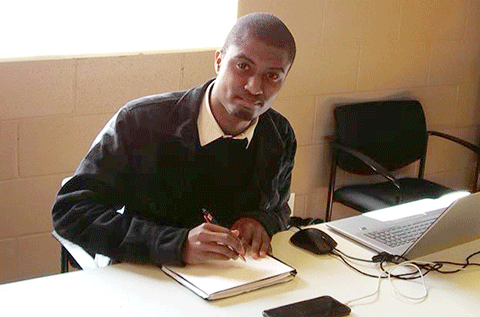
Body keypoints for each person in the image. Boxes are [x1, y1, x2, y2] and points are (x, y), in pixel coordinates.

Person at [52, 12, 297, 266]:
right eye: (243, 66)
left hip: (235, 283)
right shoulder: (139, 123)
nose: (255, 87)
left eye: (272, 76)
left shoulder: (280, 135)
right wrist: (177, 244)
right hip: (147, 279)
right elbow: (71, 211)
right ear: (218, 61)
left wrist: (260, 221)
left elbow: (279, 208)